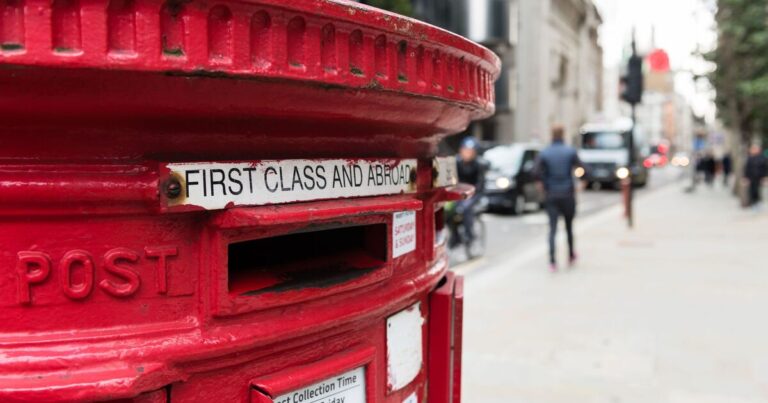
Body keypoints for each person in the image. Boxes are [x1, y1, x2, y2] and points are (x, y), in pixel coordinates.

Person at [535, 125, 582, 272]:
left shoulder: (545, 152)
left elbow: (535, 171)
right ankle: (570, 255)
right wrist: (580, 184)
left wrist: (542, 185)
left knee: (552, 229)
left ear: (551, 134)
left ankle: (552, 261)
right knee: (569, 227)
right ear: (563, 134)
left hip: (551, 194)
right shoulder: (570, 151)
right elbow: (584, 169)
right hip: (567, 194)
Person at [452, 137, 486, 248]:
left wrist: (471, 196)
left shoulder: (479, 165)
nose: (467, 154)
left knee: (466, 209)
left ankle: (469, 235)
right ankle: (455, 236)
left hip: (474, 194)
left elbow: (480, 185)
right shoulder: (456, 162)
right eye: (465, 150)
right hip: (459, 194)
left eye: (470, 151)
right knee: (449, 211)